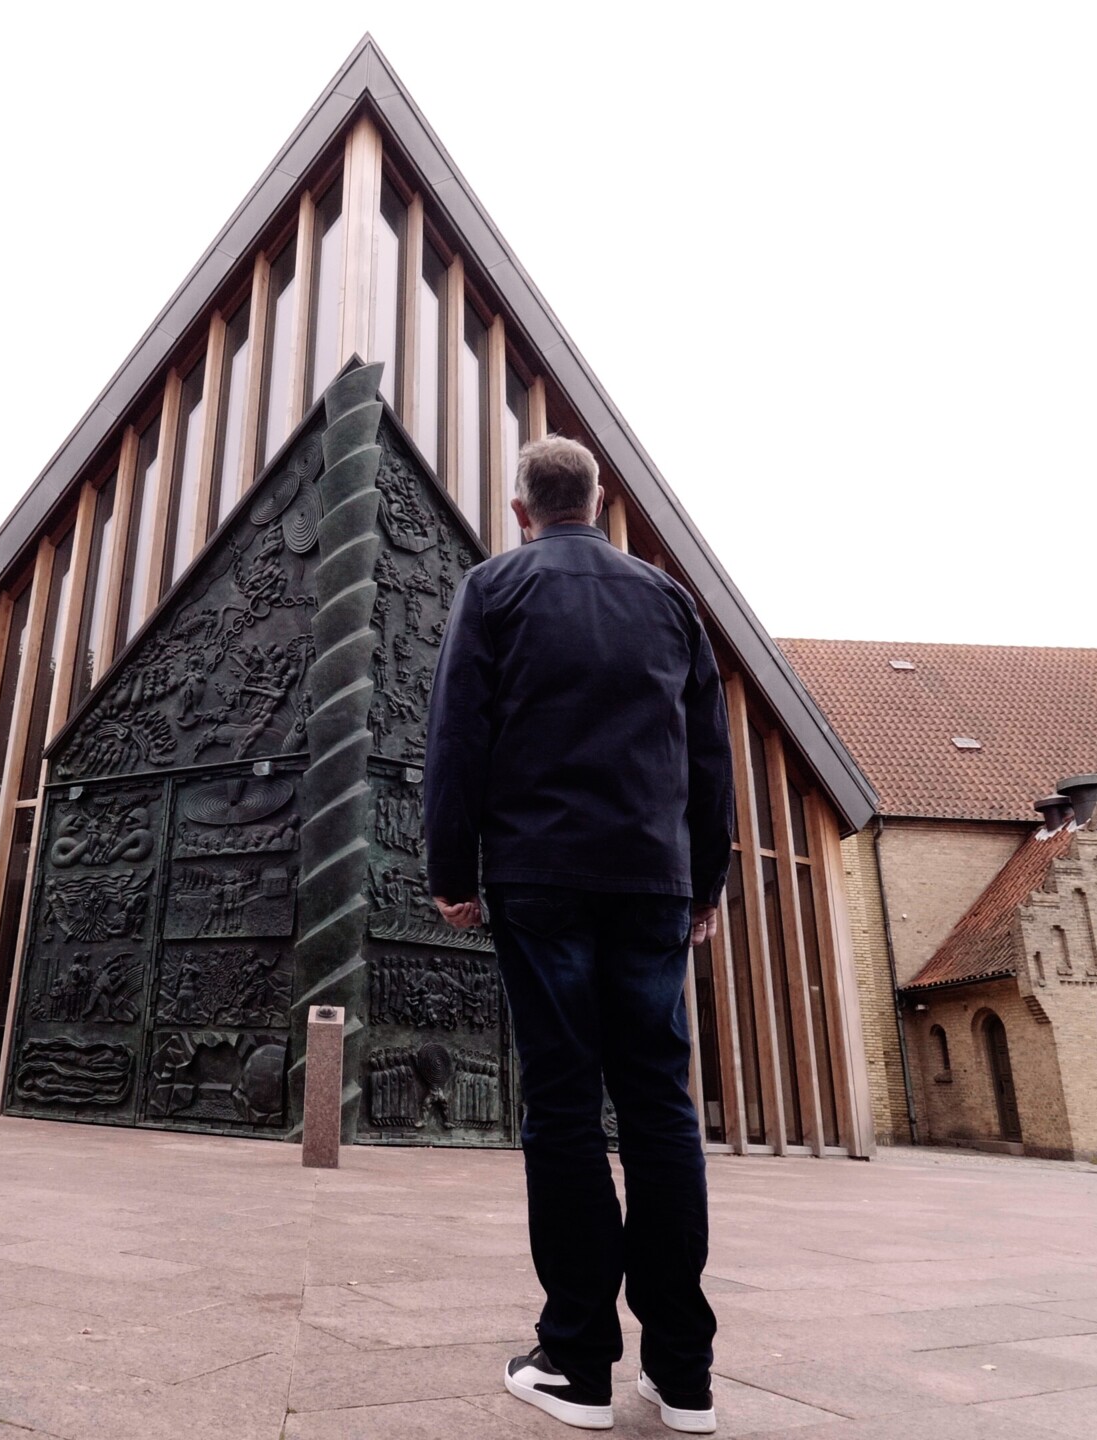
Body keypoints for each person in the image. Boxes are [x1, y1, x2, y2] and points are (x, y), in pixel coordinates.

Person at [424, 435, 730, 1434]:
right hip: (651, 881)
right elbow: (708, 753)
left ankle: (577, 1363)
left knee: (562, 1108)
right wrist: (706, 884)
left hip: (540, 875)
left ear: (522, 511)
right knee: (660, 1109)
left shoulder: (494, 589)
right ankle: (683, 1375)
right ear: (599, 502)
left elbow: (457, 735)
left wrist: (451, 872)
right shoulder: (669, 600)